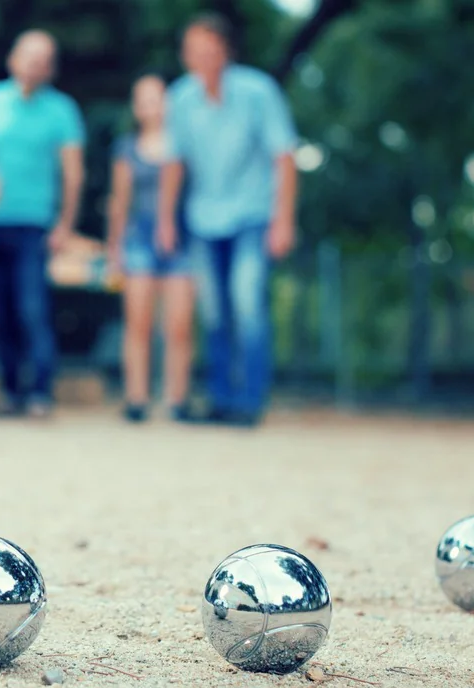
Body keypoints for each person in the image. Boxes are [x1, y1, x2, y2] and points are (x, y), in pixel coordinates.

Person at [158, 14, 299, 428]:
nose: (201, 59)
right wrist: (166, 219)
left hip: (253, 214)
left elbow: (284, 158)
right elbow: (174, 163)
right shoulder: (181, 98)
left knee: (247, 303)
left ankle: (249, 401)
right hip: (204, 217)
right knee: (215, 312)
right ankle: (220, 398)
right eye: (193, 52)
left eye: (208, 50)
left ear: (225, 51)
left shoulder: (258, 91)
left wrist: (283, 219)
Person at [0, 30, 86, 419]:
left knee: (32, 309)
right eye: (29, 56)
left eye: (44, 59)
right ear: (12, 59)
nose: (35, 65)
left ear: (51, 67)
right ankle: (10, 392)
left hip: (35, 224)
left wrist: (65, 224)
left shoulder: (62, 110)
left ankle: (40, 392)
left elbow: (73, 173)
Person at [106, 75, 193, 423]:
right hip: (139, 239)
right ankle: (137, 398)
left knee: (179, 325)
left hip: (180, 240)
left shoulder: (183, 146)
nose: (150, 106)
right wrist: (115, 247)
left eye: (156, 98)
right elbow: (120, 200)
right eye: (143, 99)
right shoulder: (127, 147)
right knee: (138, 323)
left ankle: (177, 399)